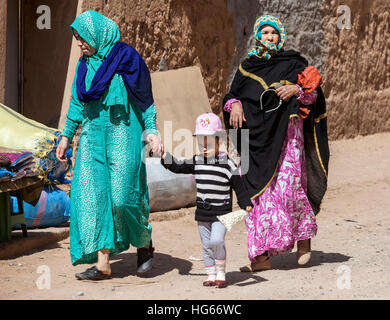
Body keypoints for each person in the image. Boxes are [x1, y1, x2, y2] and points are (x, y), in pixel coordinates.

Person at [56, 10, 162, 280]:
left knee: (122, 197)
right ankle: (103, 261)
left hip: (124, 132)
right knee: (93, 198)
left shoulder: (128, 59)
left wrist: (151, 130)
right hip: (92, 137)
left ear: (98, 35)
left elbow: (145, 98)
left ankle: (144, 241)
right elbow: (78, 103)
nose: (79, 43)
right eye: (77, 38)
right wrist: (66, 136)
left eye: (82, 38)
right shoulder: (84, 64)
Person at [222, 15, 329, 272]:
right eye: (265, 32)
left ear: (280, 36)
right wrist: (234, 104)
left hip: (288, 139)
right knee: (259, 198)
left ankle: (303, 240)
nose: (270, 37)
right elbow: (232, 94)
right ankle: (261, 257)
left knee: (289, 190)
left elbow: (314, 96)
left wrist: (296, 90)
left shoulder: (294, 63)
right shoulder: (248, 67)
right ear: (258, 35)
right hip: (256, 144)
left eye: (274, 33)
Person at [160, 113, 253, 287]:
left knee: (216, 241)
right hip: (202, 212)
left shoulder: (228, 164)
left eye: (208, 142)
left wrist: (245, 202)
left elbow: (239, 186)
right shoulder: (197, 161)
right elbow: (177, 166)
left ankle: (221, 271)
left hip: (221, 213)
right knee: (206, 245)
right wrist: (164, 155)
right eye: (200, 142)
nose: (204, 146)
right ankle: (211, 274)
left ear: (219, 141)